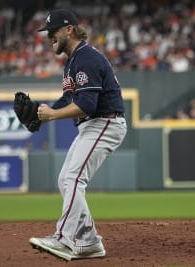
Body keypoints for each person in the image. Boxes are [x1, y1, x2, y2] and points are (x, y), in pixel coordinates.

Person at [29, 9, 127, 260]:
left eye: (53, 31)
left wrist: (52, 115)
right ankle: (89, 241)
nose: (48, 36)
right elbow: (68, 99)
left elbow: (87, 105)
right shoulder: (72, 62)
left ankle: (63, 238)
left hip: (105, 122)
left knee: (73, 178)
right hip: (93, 124)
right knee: (65, 179)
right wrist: (41, 112)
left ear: (69, 30)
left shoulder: (86, 58)